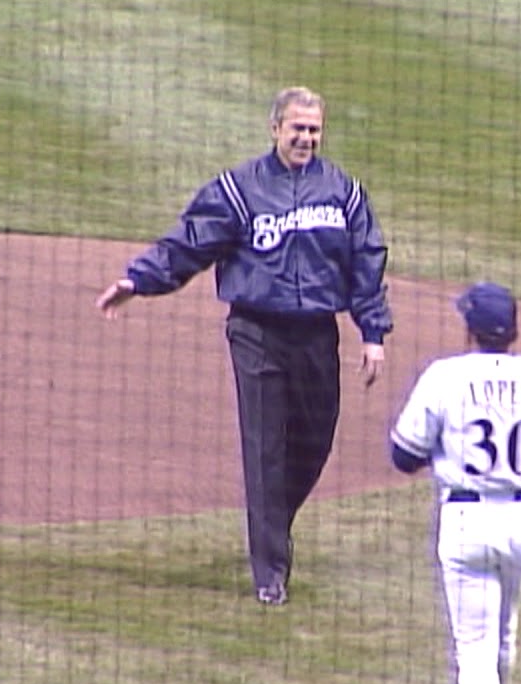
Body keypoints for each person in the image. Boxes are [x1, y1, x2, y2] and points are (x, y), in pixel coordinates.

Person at [95, 86, 394, 606]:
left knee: (314, 444)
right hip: (256, 332)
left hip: (318, 333)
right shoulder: (239, 190)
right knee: (265, 448)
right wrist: (138, 281)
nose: (305, 138)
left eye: (314, 129)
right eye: (297, 128)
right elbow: (190, 243)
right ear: (275, 128)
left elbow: (366, 260)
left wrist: (372, 332)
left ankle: (273, 523)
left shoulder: (343, 191)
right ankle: (270, 573)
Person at [388, 281, 521, 684]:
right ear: (512, 330)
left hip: (466, 520)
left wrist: (448, 447)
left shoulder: (445, 376)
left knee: (473, 652)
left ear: (470, 330)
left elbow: (403, 455)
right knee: (502, 633)